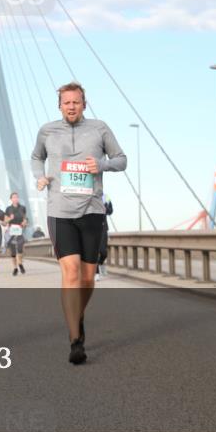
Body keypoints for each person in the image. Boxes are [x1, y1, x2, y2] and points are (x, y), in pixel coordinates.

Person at [31, 81, 126, 365]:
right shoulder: (47, 130)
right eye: (66, 102)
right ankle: (75, 340)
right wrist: (40, 176)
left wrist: (103, 165)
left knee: (87, 278)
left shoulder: (99, 128)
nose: (71, 106)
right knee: (70, 273)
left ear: (84, 103)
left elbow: (121, 160)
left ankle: (76, 315)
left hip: (92, 210)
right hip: (60, 211)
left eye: (76, 101)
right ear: (59, 105)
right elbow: (37, 156)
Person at [4, 192, 28, 276]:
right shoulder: (8, 209)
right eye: (13, 197)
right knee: (13, 251)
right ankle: (15, 268)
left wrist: (25, 222)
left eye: (16, 197)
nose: (15, 199)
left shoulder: (22, 208)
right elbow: (5, 221)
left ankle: (20, 263)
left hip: (19, 230)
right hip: (11, 231)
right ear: (11, 199)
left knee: (20, 249)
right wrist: (9, 218)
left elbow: (25, 219)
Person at [96, 195, 114, 281]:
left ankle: (101, 263)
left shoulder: (106, 198)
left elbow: (110, 211)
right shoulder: (87, 194)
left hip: (103, 228)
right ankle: (96, 273)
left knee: (104, 252)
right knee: (94, 252)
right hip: (90, 227)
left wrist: (105, 207)